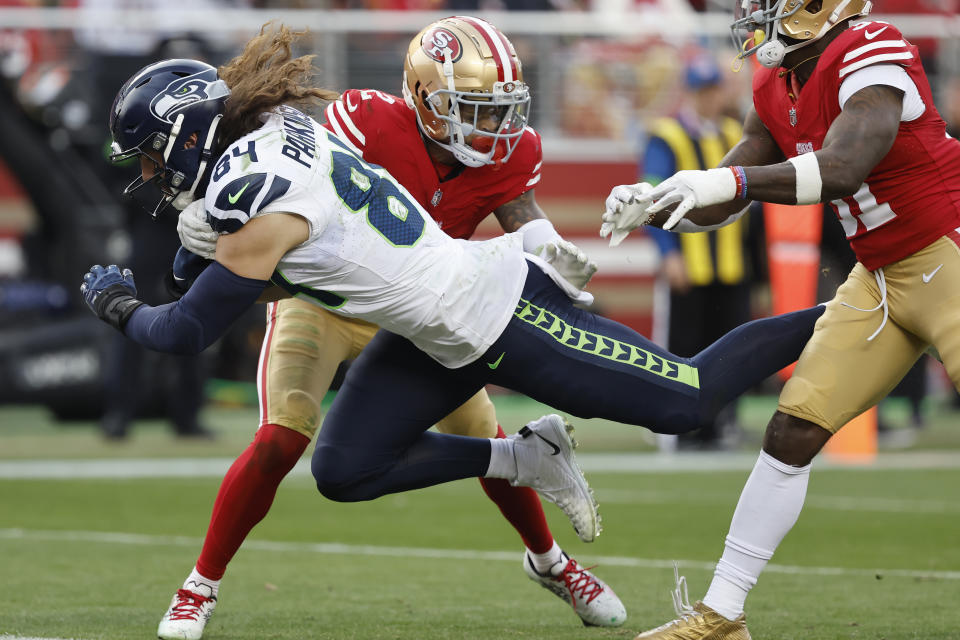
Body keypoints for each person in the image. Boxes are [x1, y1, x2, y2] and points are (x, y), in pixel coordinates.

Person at [82, 23, 823, 639]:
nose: (151, 172)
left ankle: (843, 311)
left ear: (186, 140)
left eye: (153, 156)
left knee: (686, 400)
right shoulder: (295, 131)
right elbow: (254, 246)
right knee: (340, 469)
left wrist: (121, 301)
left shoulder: (259, 186)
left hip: (490, 310)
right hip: (417, 320)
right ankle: (522, 459)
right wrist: (204, 248)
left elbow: (184, 330)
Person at [159, 16, 628, 639]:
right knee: (280, 439)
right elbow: (278, 177)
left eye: (500, 111)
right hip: (322, 299)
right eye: (477, 109)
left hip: (418, 311)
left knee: (486, 433)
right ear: (427, 98)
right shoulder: (367, 121)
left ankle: (551, 564)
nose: (494, 128)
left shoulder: (509, 152)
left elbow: (525, 221)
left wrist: (556, 259)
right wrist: (214, 217)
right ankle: (200, 586)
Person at [601, 1, 960, 637]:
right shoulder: (776, 77)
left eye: (769, 3)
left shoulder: (871, 47)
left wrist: (727, 183)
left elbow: (844, 166)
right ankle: (721, 615)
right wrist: (661, 202)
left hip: (947, 252)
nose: (753, 14)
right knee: (792, 430)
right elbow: (727, 187)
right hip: (879, 276)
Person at [643, 52, 751, 450]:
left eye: (713, 90)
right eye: (702, 90)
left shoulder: (732, 133)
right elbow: (650, 197)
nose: (708, 98)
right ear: (690, 92)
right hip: (689, 264)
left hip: (730, 264)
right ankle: (678, 426)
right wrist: (668, 253)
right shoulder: (667, 135)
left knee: (731, 348)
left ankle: (721, 424)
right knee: (683, 349)